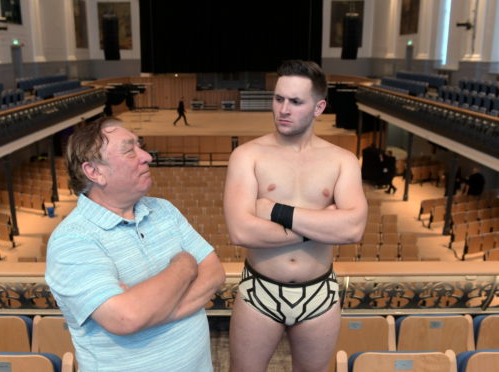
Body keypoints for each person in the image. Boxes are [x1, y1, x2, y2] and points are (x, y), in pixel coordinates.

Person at [45, 116, 225, 371]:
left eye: (139, 146)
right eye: (130, 151)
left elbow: (214, 272)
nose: (147, 156)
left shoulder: (164, 210)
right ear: (94, 172)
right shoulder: (72, 240)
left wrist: (149, 312)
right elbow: (126, 317)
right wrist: (184, 265)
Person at [223, 60, 368, 372]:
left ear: (319, 108)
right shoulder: (247, 156)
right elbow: (241, 231)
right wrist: (320, 224)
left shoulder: (342, 161)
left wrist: (275, 211)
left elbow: (353, 228)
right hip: (260, 289)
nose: (283, 110)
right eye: (278, 99)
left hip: (319, 292)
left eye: (296, 102)